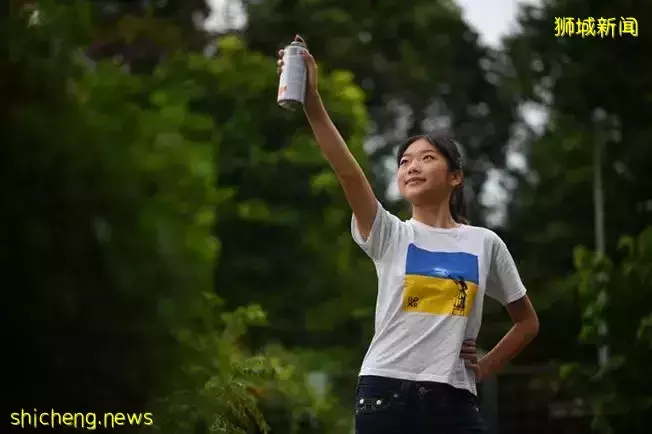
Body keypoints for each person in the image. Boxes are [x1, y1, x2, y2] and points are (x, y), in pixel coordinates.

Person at [277, 35, 539, 434]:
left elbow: (527, 322)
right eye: (404, 161)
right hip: (385, 394)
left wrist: (486, 366)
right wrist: (312, 100)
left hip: (455, 401)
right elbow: (348, 172)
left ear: (455, 177)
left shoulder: (484, 243)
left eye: (427, 158)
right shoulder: (390, 233)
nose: (412, 167)